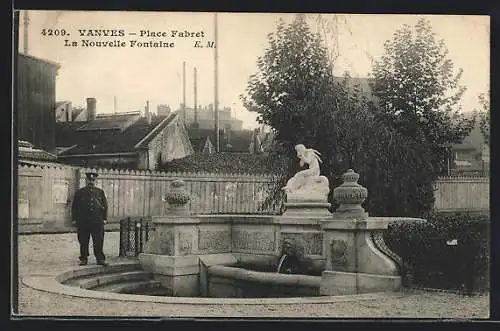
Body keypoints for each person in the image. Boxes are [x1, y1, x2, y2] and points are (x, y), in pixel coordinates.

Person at [71, 171, 108, 266]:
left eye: (93, 180)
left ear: (95, 180)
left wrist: (104, 218)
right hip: (83, 221)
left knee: (98, 240)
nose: (91, 181)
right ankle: (84, 258)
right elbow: (74, 206)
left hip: (97, 221)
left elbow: (105, 205)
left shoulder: (100, 192)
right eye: (89, 179)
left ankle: (100, 259)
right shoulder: (80, 192)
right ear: (85, 180)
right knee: (83, 240)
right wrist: (74, 219)